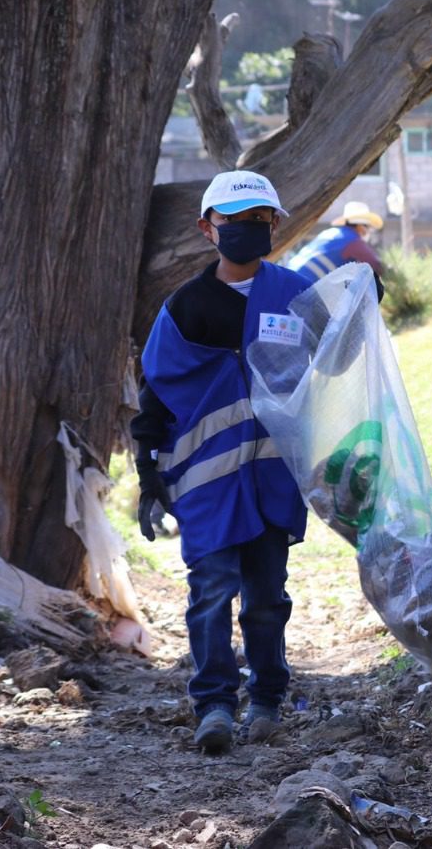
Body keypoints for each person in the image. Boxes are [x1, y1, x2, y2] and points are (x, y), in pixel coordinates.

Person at [130, 171, 312, 754]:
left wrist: (361, 302)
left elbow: (340, 361)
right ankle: (213, 705)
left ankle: (265, 701)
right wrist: (147, 468)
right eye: (232, 223)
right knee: (211, 592)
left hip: (271, 477)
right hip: (207, 483)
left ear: (274, 225)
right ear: (208, 229)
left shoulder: (295, 295)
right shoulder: (186, 307)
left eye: (257, 220)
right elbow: (156, 387)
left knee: (266, 597)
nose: (245, 231)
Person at [287, 200, 385, 282]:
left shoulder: (330, 233)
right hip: (303, 287)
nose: (367, 232)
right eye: (367, 227)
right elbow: (376, 265)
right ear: (360, 226)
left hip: (289, 275)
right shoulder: (352, 240)